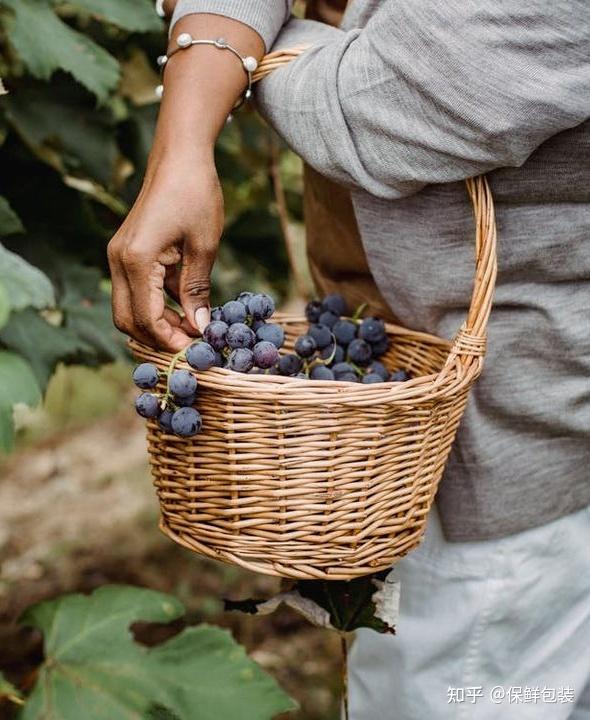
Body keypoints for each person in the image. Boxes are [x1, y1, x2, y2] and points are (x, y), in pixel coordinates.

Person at [107, 1, 590, 717]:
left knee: (474, 688)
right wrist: (183, 143)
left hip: (512, 451)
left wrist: (217, 49)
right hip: (375, 439)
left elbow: (376, 103)